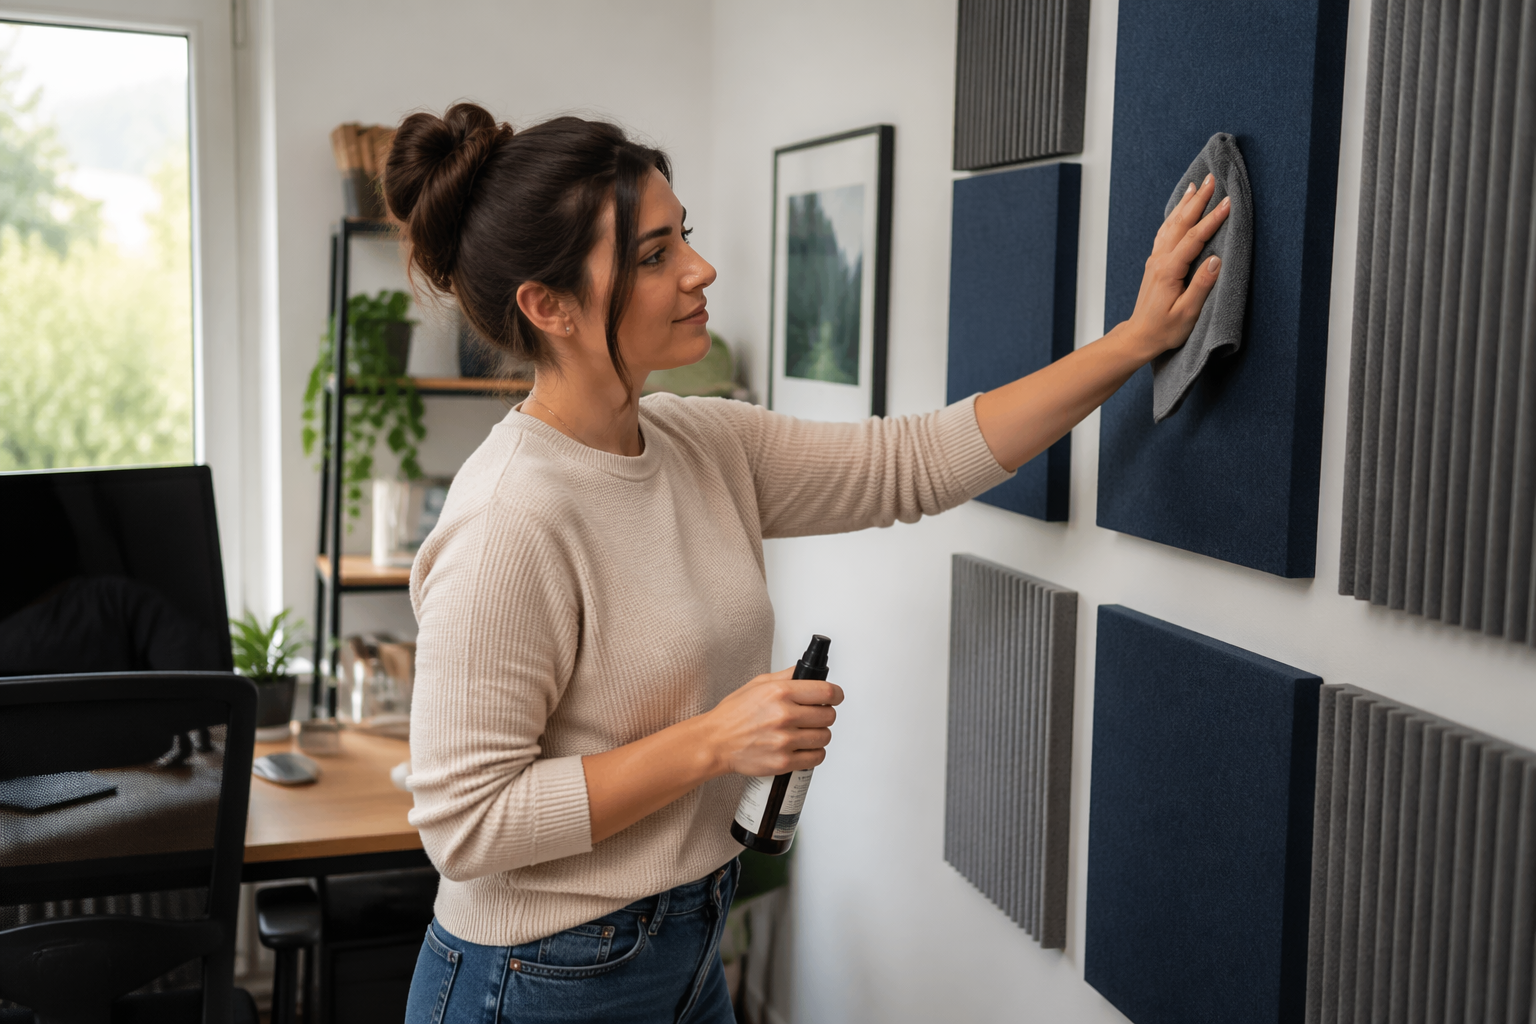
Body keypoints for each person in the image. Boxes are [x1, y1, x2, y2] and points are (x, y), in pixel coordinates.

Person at [386, 103, 1230, 1024]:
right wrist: (716, 740)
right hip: (536, 984)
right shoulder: (510, 518)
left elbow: (917, 461)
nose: (701, 270)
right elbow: (466, 825)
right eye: (654, 254)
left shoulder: (701, 443)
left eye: (686, 239)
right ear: (549, 307)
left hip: (687, 952)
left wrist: (1133, 340)